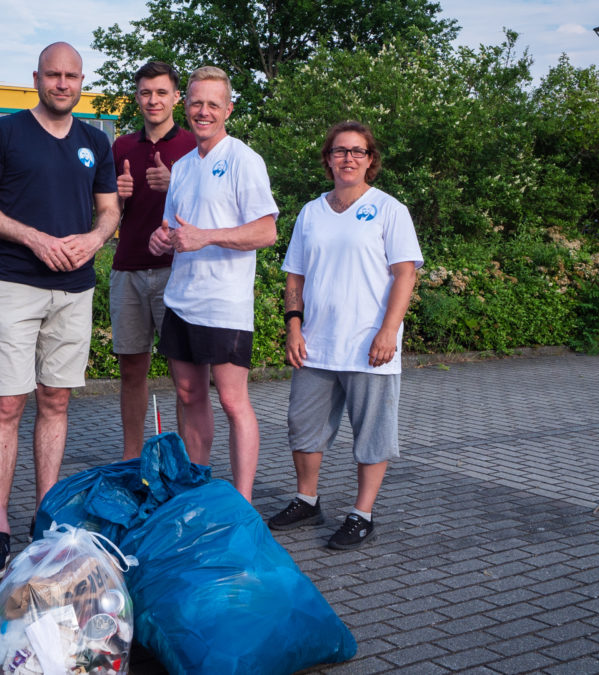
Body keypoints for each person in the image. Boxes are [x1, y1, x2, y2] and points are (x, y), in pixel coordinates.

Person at [0, 42, 120, 580]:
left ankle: (45, 520)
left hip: (75, 289)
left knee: (55, 401)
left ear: (81, 82)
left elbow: (109, 210)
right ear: (36, 78)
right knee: (7, 406)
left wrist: (95, 239)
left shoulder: (95, 140)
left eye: (71, 75)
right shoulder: (4, 133)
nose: (61, 83)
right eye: (53, 74)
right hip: (16, 285)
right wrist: (32, 237)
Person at [267, 120, 423, 550]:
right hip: (316, 345)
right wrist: (293, 327)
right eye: (340, 151)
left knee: (371, 433)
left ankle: (362, 513)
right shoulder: (311, 212)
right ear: (328, 159)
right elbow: (294, 275)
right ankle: (307, 499)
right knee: (303, 427)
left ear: (370, 160)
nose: (348, 158)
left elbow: (405, 274)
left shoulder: (390, 209)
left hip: (370, 345)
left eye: (358, 151)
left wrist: (389, 331)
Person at [147, 66, 278, 502]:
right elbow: (173, 232)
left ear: (229, 109)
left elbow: (266, 232)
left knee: (232, 401)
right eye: (197, 103)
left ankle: (241, 501)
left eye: (213, 105)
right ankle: (197, 488)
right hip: (181, 299)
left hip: (224, 303)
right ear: (186, 106)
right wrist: (161, 238)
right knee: (188, 394)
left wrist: (207, 236)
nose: (203, 112)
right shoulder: (182, 166)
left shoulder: (244, 159)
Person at [110, 61, 196, 460]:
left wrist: (174, 183)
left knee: (186, 378)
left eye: (161, 92)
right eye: (145, 92)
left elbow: (210, 216)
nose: (153, 100)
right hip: (128, 267)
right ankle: (131, 459)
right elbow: (107, 211)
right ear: (137, 98)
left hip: (176, 271)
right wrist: (119, 195)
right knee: (131, 370)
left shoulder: (196, 146)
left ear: (176, 97)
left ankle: (183, 463)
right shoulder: (122, 147)